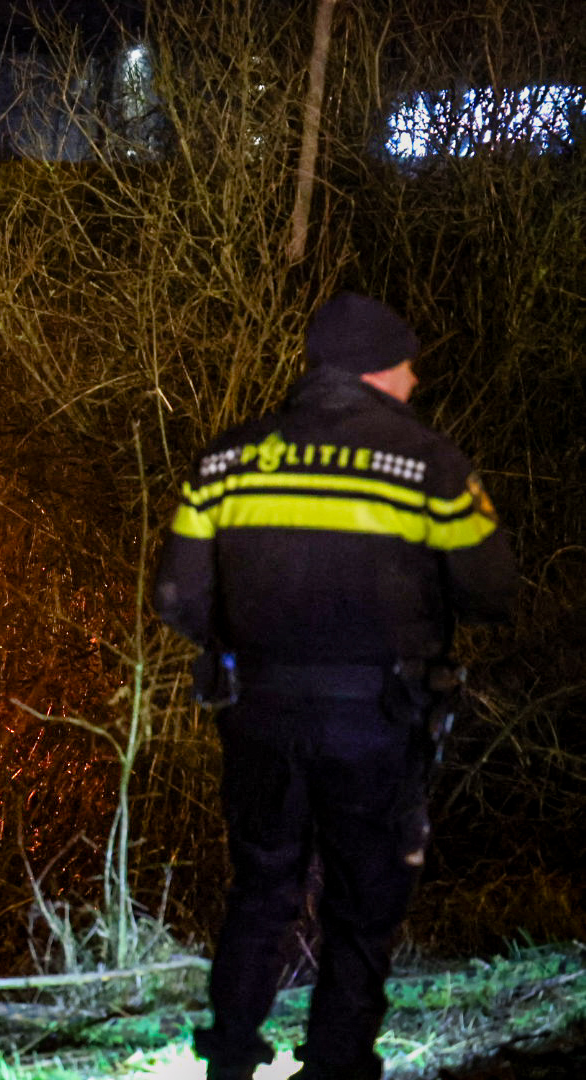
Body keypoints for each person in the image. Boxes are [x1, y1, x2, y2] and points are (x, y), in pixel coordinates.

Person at [155, 292, 518, 1080]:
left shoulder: (226, 459)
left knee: (261, 888)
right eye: (407, 366)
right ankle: (336, 1062)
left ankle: (231, 1057)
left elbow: (176, 599)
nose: (416, 382)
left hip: (257, 712)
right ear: (378, 371)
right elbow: (494, 592)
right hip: (379, 719)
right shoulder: (429, 465)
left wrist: (240, 649)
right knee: (363, 902)